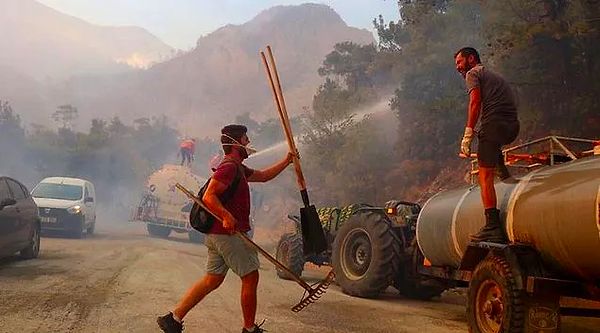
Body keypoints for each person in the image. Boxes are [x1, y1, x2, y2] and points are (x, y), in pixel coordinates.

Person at [157, 124, 295, 333]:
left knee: (212, 279)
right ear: (235, 143)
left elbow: (265, 176)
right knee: (250, 276)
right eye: (245, 139)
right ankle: (249, 329)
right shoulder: (229, 167)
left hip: (217, 235)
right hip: (227, 234)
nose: (248, 143)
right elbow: (209, 195)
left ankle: (173, 319)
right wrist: (226, 215)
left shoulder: (238, 168)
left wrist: (287, 160)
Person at [454, 47, 519, 243]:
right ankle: (506, 175)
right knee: (488, 141)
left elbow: (475, 103)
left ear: (471, 59)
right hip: (512, 127)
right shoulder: (493, 75)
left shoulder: (473, 73)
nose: (457, 67)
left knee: (484, 175)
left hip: (495, 125)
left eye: (459, 62)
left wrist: (467, 135)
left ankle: (492, 226)